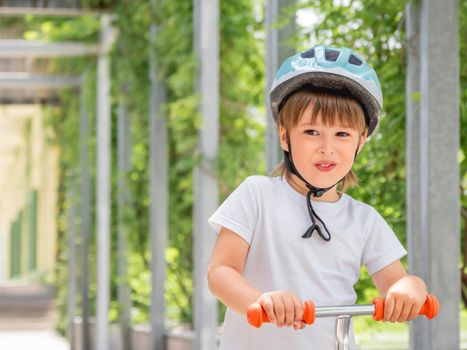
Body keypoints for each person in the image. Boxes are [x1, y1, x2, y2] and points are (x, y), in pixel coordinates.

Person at [207, 44, 428, 350]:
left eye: (342, 134)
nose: (327, 148)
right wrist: (260, 300)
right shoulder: (256, 195)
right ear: (285, 135)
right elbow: (221, 272)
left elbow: (396, 282)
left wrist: (411, 288)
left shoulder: (363, 219)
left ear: (360, 142)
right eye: (311, 132)